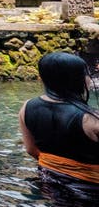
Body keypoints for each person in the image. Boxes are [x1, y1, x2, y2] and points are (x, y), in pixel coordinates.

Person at [19, 52, 99, 188]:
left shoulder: (26, 107)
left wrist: (60, 167)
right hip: (89, 190)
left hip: (50, 183)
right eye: (86, 74)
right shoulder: (91, 119)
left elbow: (31, 150)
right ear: (76, 80)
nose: (89, 79)